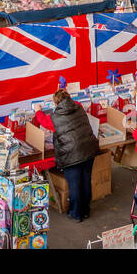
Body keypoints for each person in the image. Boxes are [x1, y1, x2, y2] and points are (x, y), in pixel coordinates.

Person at [50, 88, 98, 222]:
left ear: (56, 103)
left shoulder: (55, 116)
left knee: (74, 185)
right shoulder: (79, 107)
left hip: (72, 155)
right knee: (86, 181)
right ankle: (85, 210)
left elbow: (45, 123)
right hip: (88, 149)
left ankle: (76, 213)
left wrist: (37, 112)